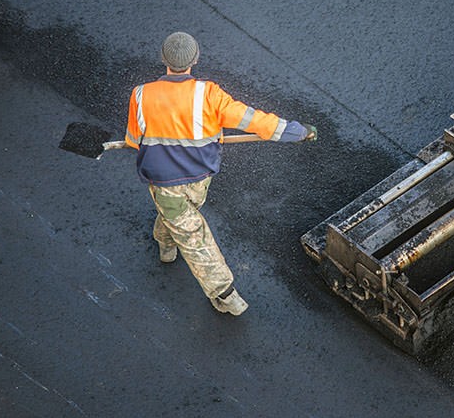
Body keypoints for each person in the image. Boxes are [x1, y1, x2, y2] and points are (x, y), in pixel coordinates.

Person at [125, 31, 316, 316]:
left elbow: (132, 139)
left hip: (164, 183)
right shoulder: (209, 94)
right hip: (200, 178)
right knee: (194, 235)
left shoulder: (140, 95)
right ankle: (224, 293)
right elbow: (255, 120)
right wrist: (297, 132)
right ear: (195, 60)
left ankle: (165, 243)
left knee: (180, 218)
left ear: (163, 59)